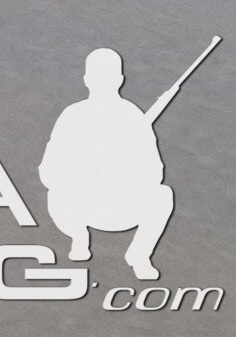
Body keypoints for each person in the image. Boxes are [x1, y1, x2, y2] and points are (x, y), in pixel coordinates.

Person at [39, 47, 177, 280]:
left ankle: (139, 255)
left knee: (163, 195)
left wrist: (122, 171)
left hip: (121, 207)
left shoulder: (133, 117)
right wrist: (82, 173)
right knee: (55, 194)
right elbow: (48, 171)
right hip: (80, 207)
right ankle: (79, 238)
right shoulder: (73, 116)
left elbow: (155, 173)